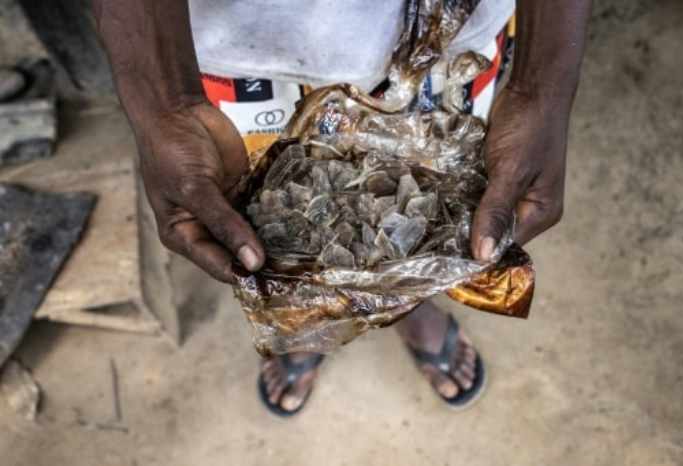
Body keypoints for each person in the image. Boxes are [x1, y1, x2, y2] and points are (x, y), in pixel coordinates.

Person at [93, 0, 592, 416]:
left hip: (444, 34)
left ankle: (413, 306)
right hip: (240, 51)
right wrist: (164, 102)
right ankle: (307, 328)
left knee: (433, 220)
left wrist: (543, 83)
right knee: (256, 225)